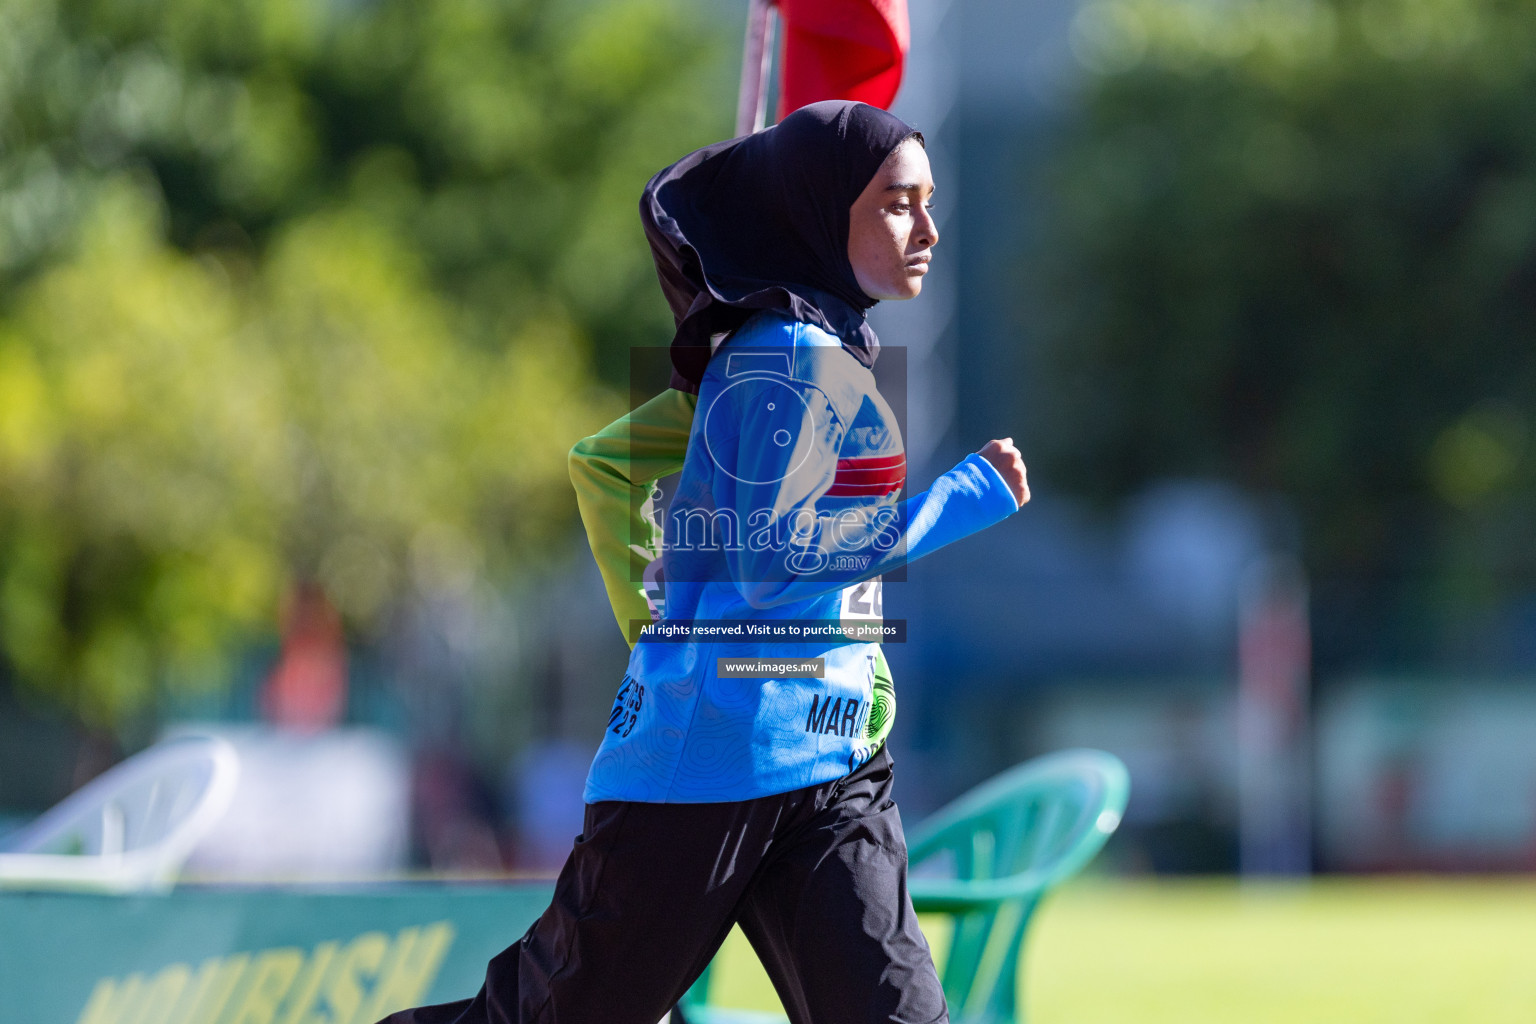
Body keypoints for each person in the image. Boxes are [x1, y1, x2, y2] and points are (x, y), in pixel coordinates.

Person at [380, 100, 1029, 1024]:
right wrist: (951, 505)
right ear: (820, 214)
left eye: (928, 202)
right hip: (709, 769)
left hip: (831, 761)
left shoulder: (819, 350)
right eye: (896, 204)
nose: (927, 228)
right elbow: (774, 566)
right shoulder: (793, 358)